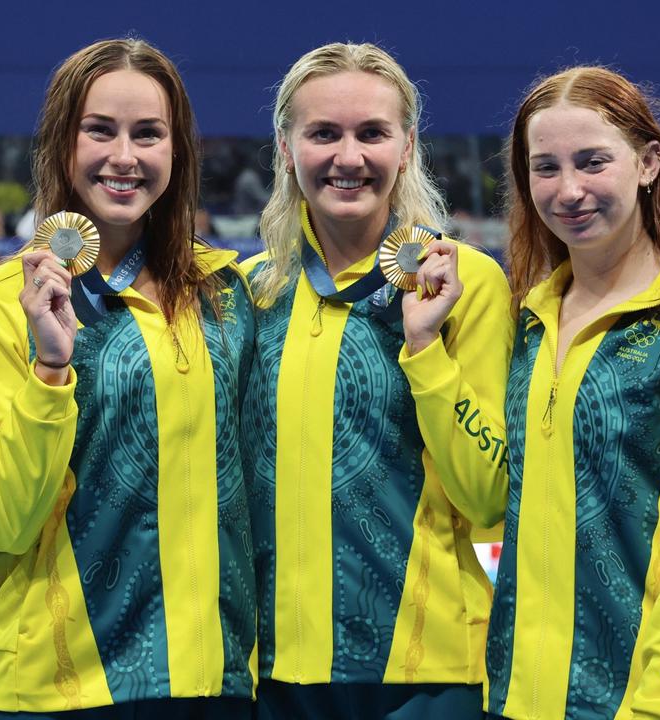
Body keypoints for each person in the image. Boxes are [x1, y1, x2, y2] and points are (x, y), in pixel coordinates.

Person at [0, 38, 256, 718]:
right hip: (55, 689)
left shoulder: (225, 295)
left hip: (210, 679)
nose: (125, 157)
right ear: (62, 143)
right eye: (100, 130)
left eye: (148, 134)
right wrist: (50, 370)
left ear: (177, 153)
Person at [485, 66, 660, 719]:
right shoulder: (527, 320)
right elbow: (491, 496)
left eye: (592, 163)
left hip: (644, 704)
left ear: (648, 163)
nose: (568, 191)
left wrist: (657, 705)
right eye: (545, 168)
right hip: (519, 698)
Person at [242, 42, 513, 718]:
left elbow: (487, 496)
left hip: (427, 673)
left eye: (372, 133)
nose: (348, 157)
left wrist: (424, 346)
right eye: (323, 133)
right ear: (285, 145)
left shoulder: (466, 283)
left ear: (408, 144)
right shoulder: (251, 293)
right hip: (269, 668)